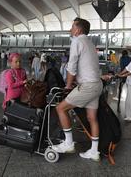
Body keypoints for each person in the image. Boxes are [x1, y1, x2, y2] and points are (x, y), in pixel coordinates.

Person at [51, 18, 103, 161]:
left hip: (88, 86)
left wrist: (68, 86)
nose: (70, 29)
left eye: (72, 26)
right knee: (92, 118)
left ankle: (68, 143)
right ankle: (94, 151)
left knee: (61, 108)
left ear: (78, 29)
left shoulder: (77, 41)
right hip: (97, 85)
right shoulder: (90, 43)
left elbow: (72, 66)